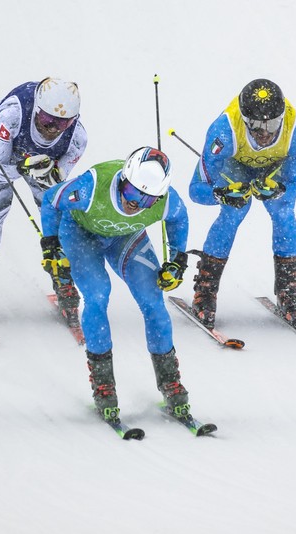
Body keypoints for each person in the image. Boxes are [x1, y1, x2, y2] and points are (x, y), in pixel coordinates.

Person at [39, 146, 194, 423]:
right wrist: (50, 244)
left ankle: (171, 383)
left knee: (153, 301)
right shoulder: (93, 185)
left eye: (147, 200)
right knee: (98, 295)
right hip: (80, 235)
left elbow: (178, 218)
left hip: (125, 238)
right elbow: (52, 200)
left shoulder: (164, 200)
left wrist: (178, 260)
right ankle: (103, 385)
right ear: (124, 179)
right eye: (133, 193)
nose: (136, 204)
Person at [189, 78, 296, 330]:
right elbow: (195, 190)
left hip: (274, 168)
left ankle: (287, 290)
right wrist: (221, 194)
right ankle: (205, 290)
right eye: (256, 125)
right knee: (235, 210)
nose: (265, 132)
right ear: (245, 120)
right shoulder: (223, 132)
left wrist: (280, 190)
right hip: (235, 165)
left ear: (283, 117)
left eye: (273, 123)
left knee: (283, 210)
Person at [0, 77, 88, 324]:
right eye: (47, 120)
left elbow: (57, 180)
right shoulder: (11, 115)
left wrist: (46, 172)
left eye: (62, 123)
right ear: (37, 111)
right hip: (2, 148)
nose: (52, 128)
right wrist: (24, 166)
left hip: (37, 162)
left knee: (55, 211)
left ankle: (63, 280)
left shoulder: (77, 138)